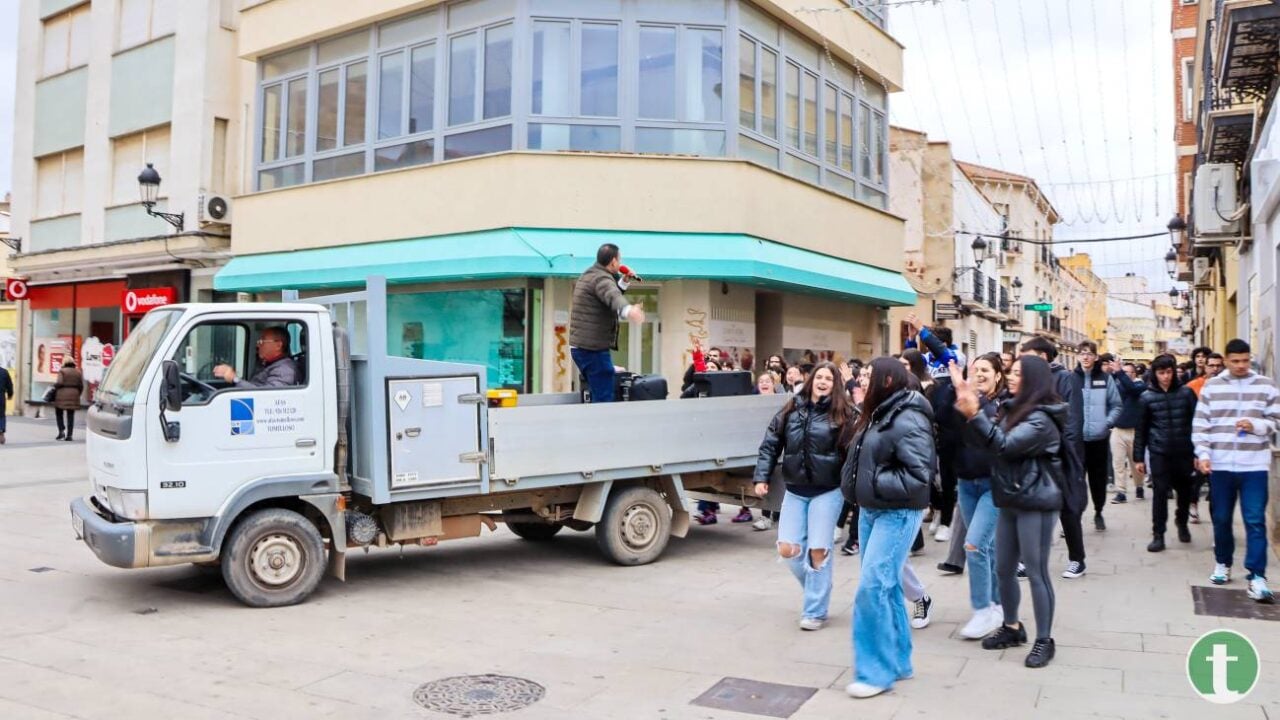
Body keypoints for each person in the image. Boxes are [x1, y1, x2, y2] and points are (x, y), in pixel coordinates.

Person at [953, 355, 1065, 669]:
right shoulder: (1013, 409)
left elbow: (1004, 445)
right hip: (1010, 497)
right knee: (1003, 568)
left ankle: (1045, 639)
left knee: (1036, 571)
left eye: (1017, 373)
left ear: (1034, 380)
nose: (1011, 377)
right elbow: (989, 443)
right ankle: (1012, 627)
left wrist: (974, 413)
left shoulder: (1041, 419)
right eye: (1012, 372)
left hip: (1036, 501)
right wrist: (967, 406)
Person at [839, 357, 935, 699]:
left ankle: (875, 673)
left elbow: (919, 475)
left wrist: (872, 482)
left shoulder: (909, 417)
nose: (861, 381)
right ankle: (897, 661)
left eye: (868, 376)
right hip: (871, 510)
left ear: (888, 381)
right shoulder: (877, 413)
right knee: (887, 585)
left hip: (896, 513)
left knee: (871, 588)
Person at [753, 362, 855, 630]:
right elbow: (771, 443)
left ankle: (815, 610)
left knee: (818, 552)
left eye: (829, 379)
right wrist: (762, 477)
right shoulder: (791, 409)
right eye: (819, 377)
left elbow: (853, 454)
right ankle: (817, 587)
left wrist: (851, 486)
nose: (823, 382)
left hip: (828, 491)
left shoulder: (843, 414)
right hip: (795, 491)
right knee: (787, 549)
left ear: (835, 385)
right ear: (811, 381)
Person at [1193, 339, 1280, 602]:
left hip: (1254, 465)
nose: (1242, 365)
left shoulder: (1265, 385)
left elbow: (1276, 421)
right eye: (1236, 361)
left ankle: (1257, 576)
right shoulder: (1213, 386)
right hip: (1221, 465)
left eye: (1246, 360)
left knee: (1254, 520)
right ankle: (1223, 562)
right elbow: (1200, 426)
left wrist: (1256, 425)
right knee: (1221, 517)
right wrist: (1204, 454)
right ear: (1227, 360)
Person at [943, 353, 1007, 640]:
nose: (979, 374)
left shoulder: (1004, 405)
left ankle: (982, 609)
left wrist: (975, 408)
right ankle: (996, 604)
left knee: (973, 546)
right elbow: (943, 423)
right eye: (975, 369)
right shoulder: (963, 399)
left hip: (994, 484)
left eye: (986, 370)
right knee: (987, 547)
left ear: (998, 376)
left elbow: (999, 440)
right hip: (966, 483)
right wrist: (953, 389)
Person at [1021, 336, 1087, 579]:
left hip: (1059, 454)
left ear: (1043, 357)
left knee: (1067, 509)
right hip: (1031, 454)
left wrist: (1062, 451)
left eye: (1028, 356)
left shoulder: (1065, 379)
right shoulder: (1025, 381)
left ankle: (1077, 559)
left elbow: (1073, 419)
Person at [1133, 354, 1197, 553]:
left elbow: (1197, 424)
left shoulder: (1186, 394)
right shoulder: (1146, 397)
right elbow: (1141, 429)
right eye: (1161, 373)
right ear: (1155, 374)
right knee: (1159, 495)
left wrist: (1198, 453)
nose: (1166, 377)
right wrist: (1138, 458)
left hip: (1185, 452)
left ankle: (1182, 522)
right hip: (1159, 453)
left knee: (1185, 493)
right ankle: (1158, 535)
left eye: (1169, 372)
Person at [568, 243, 645, 403]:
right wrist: (629, 310)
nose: (620, 263)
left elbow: (607, 296)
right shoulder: (602, 278)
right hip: (591, 349)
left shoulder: (591, 274)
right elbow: (612, 297)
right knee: (604, 399)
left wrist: (624, 281)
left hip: (584, 347)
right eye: (619, 259)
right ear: (613, 262)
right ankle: (601, 427)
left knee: (600, 389)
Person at [1073, 341, 1121, 530]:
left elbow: (1116, 405)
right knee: (1075, 481)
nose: (1085, 357)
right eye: (1082, 353)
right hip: (1077, 440)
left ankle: (1099, 511)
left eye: (1089, 353)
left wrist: (1106, 423)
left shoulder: (1105, 378)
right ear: (1078, 356)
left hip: (1099, 440)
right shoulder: (1071, 378)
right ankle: (1073, 517)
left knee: (1098, 479)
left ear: (1095, 357)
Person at [1108, 356, 1147, 504]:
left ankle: (1139, 486)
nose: (1125, 374)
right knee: (1118, 463)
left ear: (1135, 374)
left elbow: (1131, 389)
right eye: (1123, 371)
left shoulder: (1140, 386)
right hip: (1118, 430)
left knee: (1135, 463)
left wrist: (1119, 373)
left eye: (1129, 372)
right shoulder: (1118, 386)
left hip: (1135, 431)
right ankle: (1121, 492)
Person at [214, 327, 300, 388]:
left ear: (278, 345)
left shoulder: (284, 369)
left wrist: (234, 379)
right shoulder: (266, 364)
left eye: (262, 341)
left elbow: (267, 397)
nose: (258, 345)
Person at [54, 360, 84, 442]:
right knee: (70, 416)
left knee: (59, 413)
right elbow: (81, 386)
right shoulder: (78, 372)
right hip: (74, 395)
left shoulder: (62, 371)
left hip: (61, 395)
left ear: (65, 364)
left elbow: (59, 382)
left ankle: (61, 432)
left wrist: (55, 386)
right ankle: (69, 435)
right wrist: (77, 394)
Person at [0, 365, 12, 445]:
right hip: (1, 397)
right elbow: (9, 385)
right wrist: (10, 394)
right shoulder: (4, 372)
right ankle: (1, 431)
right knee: (1, 415)